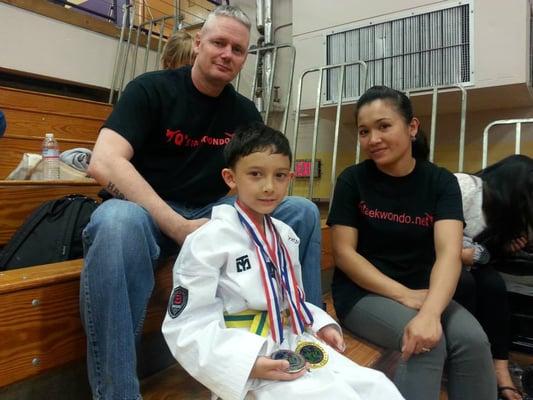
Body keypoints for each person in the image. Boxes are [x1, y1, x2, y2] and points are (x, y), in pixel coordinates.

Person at [80, 5, 322, 400]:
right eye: (218, 43)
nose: (227, 54)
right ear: (198, 44)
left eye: (238, 49)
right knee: (116, 221)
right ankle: (117, 393)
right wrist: (176, 225)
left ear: (245, 58)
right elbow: (103, 162)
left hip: (211, 214)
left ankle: (306, 341)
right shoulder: (151, 88)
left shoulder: (244, 111)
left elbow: (250, 176)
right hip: (148, 214)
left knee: (302, 211)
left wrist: (225, 220)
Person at [162, 122, 404, 400]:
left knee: (378, 387)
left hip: (294, 340)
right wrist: (245, 363)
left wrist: (319, 323)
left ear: (290, 177)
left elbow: (292, 298)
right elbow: (187, 325)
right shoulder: (207, 241)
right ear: (231, 178)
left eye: (279, 176)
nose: (269, 186)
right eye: (255, 174)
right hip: (248, 352)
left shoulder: (285, 235)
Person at [327, 85, 497, 400]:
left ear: (412, 128)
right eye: (364, 131)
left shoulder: (440, 182)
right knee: (425, 345)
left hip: (424, 292)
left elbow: (449, 253)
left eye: (384, 126)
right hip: (364, 294)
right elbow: (344, 253)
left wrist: (431, 311)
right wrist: (405, 296)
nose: (373, 139)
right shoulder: (353, 180)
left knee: (473, 340)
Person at [453, 154, 533, 400]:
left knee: (494, 285)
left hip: (471, 262)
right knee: (465, 284)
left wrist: (503, 249)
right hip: (439, 258)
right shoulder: (464, 186)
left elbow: (483, 254)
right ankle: (465, 359)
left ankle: (500, 367)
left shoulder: (504, 213)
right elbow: (438, 233)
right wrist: (468, 253)